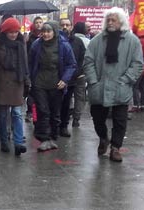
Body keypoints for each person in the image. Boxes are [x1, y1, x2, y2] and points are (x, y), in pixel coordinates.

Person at [84, 7, 143, 162]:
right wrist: (93, 81)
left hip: (121, 87)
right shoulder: (97, 40)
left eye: (113, 20)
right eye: (108, 20)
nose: (110, 22)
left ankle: (115, 148)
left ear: (121, 22)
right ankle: (103, 138)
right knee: (97, 119)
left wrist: (126, 80)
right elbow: (88, 61)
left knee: (120, 120)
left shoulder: (132, 41)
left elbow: (137, 64)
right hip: (99, 87)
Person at [29, 21, 76, 152]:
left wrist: (65, 79)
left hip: (56, 84)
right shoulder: (36, 45)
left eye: (48, 31)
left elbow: (71, 64)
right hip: (40, 83)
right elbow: (31, 63)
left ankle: (52, 137)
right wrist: (30, 79)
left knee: (55, 112)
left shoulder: (64, 45)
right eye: (43, 31)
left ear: (54, 32)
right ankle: (44, 139)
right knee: (43, 111)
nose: (45, 34)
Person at [0, 17, 29, 155]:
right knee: (3, 115)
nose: (13, 34)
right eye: (10, 32)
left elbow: (25, 63)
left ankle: (18, 143)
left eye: (16, 31)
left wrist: (27, 80)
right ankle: (4, 141)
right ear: (4, 32)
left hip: (18, 81)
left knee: (17, 113)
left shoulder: (21, 42)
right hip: (2, 82)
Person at [60, 20, 87, 133]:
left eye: (67, 25)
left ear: (72, 27)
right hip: (58, 78)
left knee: (68, 102)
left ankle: (65, 125)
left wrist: (78, 71)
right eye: (63, 25)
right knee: (58, 103)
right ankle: (56, 124)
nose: (65, 27)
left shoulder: (78, 42)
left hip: (74, 78)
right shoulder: (56, 40)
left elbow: (83, 58)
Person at [69, 22, 90, 127]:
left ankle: (67, 114)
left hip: (68, 74)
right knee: (79, 97)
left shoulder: (69, 40)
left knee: (67, 96)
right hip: (81, 74)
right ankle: (76, 119)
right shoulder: (88, 42)